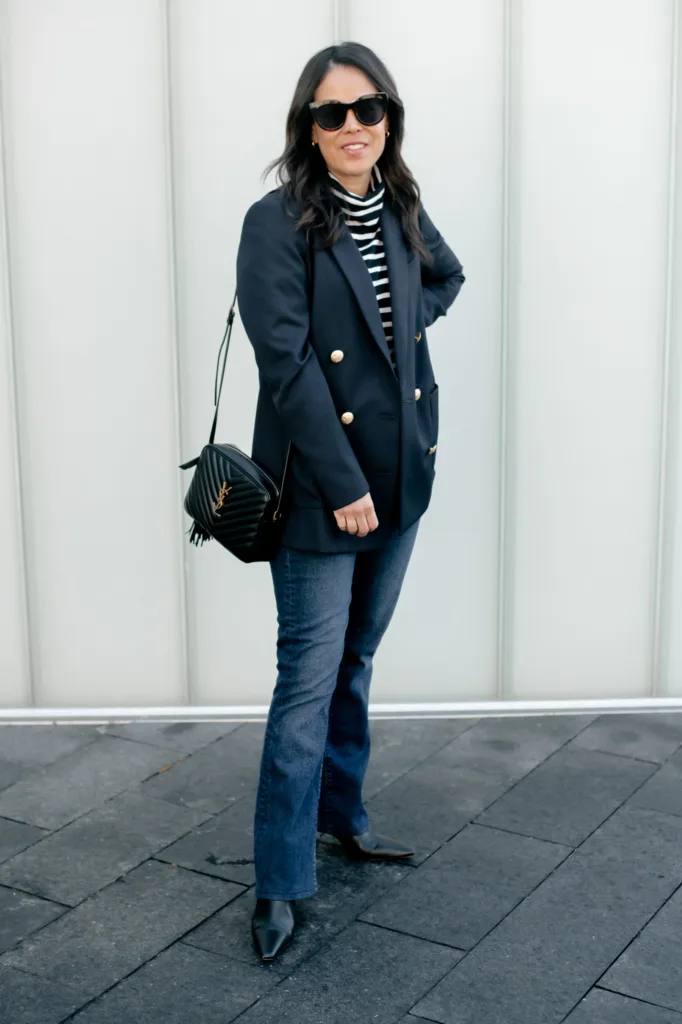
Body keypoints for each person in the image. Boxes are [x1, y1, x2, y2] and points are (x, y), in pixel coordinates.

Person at [236, 41, 465, 962]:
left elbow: (443, 279)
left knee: (356, 662)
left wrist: (399, 343)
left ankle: (343, 819)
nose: (352, 128)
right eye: (332, 114)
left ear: (388, 119)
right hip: (324, 495)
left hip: (402, 478)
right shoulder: (274, 222)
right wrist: (345, 489)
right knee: (306, 685)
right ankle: (280, 883)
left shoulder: (402, 204)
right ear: (308, 126)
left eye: (368, 110)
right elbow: (286, 367)